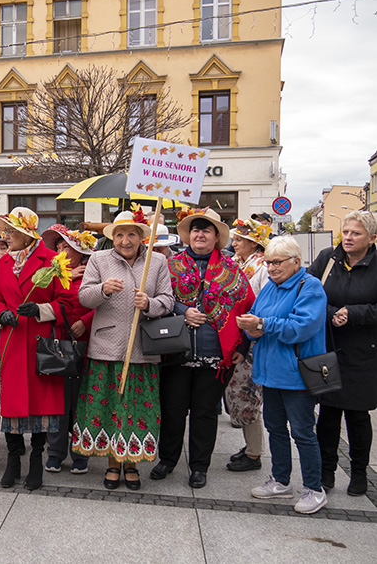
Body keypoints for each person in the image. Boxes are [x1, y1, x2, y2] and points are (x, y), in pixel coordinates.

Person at [152, 208, 254, 489]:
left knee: (205, 413)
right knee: (172, 410)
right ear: (188, 235)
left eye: (206, 230)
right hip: (175, 352)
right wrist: (183, 311)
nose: (199, 234)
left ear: (216, 238)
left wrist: (243, 347)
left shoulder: (233, 270)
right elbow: (159, 298)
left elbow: (247, 308)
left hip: (215, 356)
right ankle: (167, 460)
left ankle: (199, 467)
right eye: (195, 229)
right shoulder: (169, 266)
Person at [71, 211, 173, 490]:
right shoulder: (99, 260)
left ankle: (132, 464)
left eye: (131, 234)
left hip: (141, 348)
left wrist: (150, 303)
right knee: (110, 409)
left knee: (136, 410)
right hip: (106, 348)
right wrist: (103, 289)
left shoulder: (158, 261)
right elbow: (84, 297)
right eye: (119, 234)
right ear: (112, 237)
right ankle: (112, 464)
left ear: (141, 237)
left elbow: (168, 300)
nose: (125, 240)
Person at [238, 236, 328, 514]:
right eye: (268, 263)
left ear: (296, 262)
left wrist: (263, 324)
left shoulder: (309, 287)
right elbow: (254, 316)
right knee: (275, 428)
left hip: (297, 374)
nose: (272, 268)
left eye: (277, 263)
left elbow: (302, 327)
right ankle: (280, 480)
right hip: (269, 371)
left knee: (302, 432)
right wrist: (249, 328)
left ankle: (314, 488)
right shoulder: (270, 287)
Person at [0, 207, 73, 491]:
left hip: (40, 346)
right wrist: (1, 314)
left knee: (40, 408)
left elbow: (66, 304)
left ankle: (36, 460)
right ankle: (14, 461)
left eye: (11, 231)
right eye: (5, 231)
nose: (6, 236)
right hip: (12, 343)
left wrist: (40, 310)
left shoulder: (51, 261)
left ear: (26, 234)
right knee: (11, 407)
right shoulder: (2, 264)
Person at [308, 210, 377, 496]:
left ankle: (359, 472)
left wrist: (355, 314)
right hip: (329, 348)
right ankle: (327, 470)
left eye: (356, 233)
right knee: (328, 413)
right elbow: (306, 295)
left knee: (358, 416)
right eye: (346, 232)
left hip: (364, 353)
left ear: (371, 239)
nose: (348, 238)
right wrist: (332, 313)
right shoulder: (328, 259)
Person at [40, 224, 96, 476]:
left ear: (79, 251)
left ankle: (81, 452)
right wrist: (64, 279)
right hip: (57, 344)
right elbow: (39, 301)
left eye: (67, 247)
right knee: (57, 402)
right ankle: (55, 452)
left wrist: (85, 322)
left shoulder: (94, 272)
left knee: (81, 401)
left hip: (86, 345)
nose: (61, 251)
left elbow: (106, 303)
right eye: (58, 247)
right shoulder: (52, 273)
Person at [225, 218, 271, 472]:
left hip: (251, 342)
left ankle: (254, 454)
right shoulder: (237, 263)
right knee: (236, 395)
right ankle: (250, 447)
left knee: (247, 396)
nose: (234, 243)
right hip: (235, 338)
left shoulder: (262, 267)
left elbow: (262, 304)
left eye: (239, 240)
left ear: (254, 243)